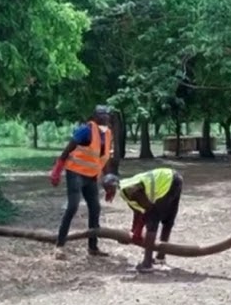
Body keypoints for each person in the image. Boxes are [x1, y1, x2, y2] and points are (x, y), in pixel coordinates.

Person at [49, 105, 115, 259]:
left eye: (108, 115)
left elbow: (104, 159)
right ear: (96, 116)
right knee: (72, 207)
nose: (106, 118)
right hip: (75, 173)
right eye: (102, 115)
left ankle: (93, 247)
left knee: (95, 209)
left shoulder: (108, 134)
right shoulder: (86, 130)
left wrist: (108, 181)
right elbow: (67, 150)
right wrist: (57, 170)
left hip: (91, 176)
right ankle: (59, 246)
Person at [101, 167, 184, 273]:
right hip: (172, 178)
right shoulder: (125, 191)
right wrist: (133, 232)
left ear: (115, 184)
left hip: (169, 181)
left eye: (109, 188)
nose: (109, 190)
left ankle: (147, 263)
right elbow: (138, 212)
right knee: (167, 221)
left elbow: (148, 208)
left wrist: (138, 232)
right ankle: (160, 257)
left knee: (152, 220)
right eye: (107, 188)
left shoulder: (130, 189)